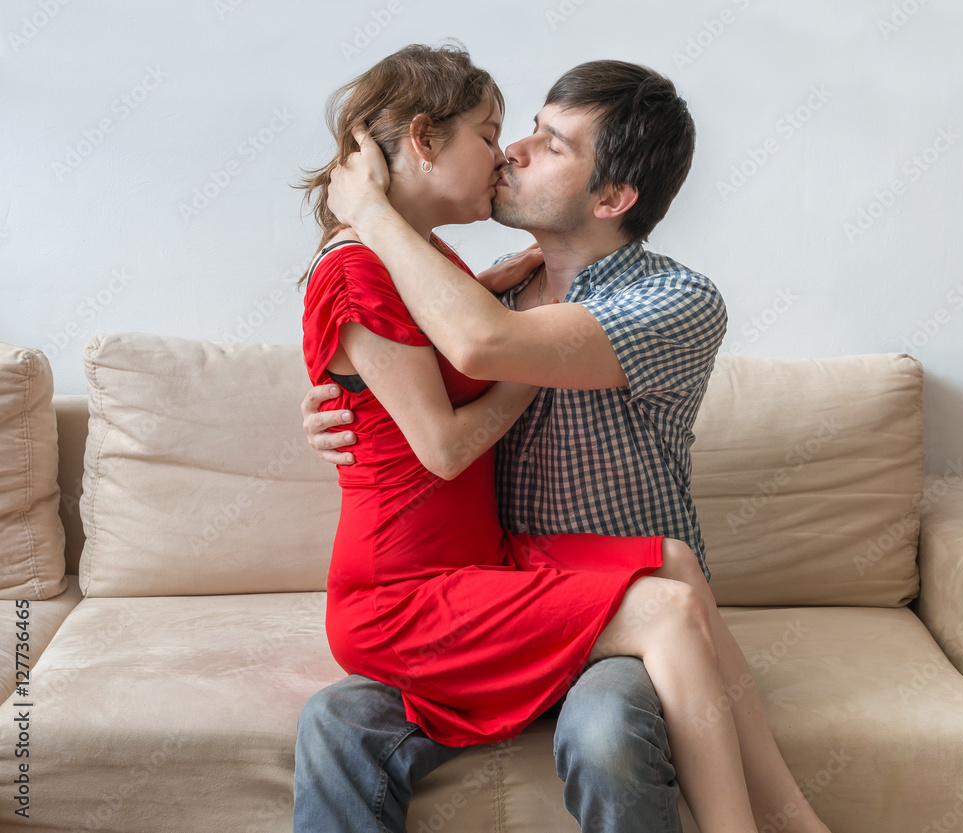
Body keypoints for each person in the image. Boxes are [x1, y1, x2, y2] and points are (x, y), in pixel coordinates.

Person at [296, 44, 831, 833]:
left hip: (608, 618)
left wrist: (370, 214)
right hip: (490, 583)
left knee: (606, 726)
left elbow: (480, 349)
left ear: (613, 195)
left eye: (549, 144)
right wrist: (347, 400)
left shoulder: (674, 299)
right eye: (516, 130)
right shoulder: (475, 290)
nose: (511, 150)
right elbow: (400, 360)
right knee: (334, 721)